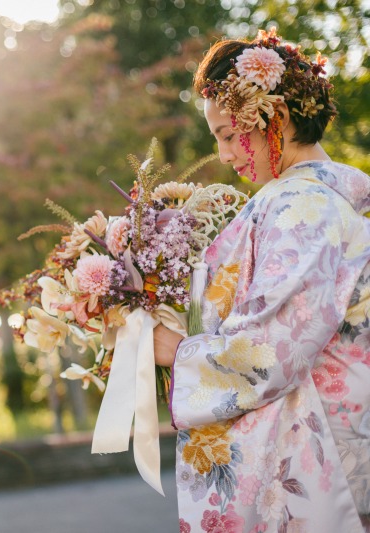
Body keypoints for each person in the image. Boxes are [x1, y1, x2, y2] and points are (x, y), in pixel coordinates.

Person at [153, 28, 370, 532]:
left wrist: (177, 351)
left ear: (277, 118)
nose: (226, 156)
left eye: (229, 135)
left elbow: (276, 347)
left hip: (320, 446)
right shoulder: (314, 198)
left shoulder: (304, 207)